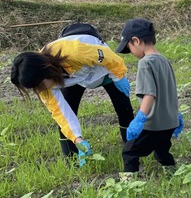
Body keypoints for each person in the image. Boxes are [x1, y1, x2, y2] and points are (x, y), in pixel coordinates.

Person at [10, 22, 134, 166]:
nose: (39, 90)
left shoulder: (75, 52)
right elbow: (61, 114)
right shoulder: (42, 83)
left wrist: (119, 76)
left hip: (103, 69)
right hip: (70, 77)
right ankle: (72, 159)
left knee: (123, 107)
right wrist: (78, 140)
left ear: (46, 70)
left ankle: (131, 148)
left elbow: (108, 57)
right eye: (34, 88)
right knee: (66, 115)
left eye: (39, 85)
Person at [115, 18, 183, 177]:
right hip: (169, 122)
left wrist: (140, 118)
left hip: (154, 124)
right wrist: (175, 114)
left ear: (136, 41)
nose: (131, 53)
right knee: (161, 150)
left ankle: (128, 186)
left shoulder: (146, 63)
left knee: (129, 152)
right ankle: (172, 174)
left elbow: (149, 94)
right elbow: (170, 90)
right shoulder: (164, 60)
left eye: (129, 48)